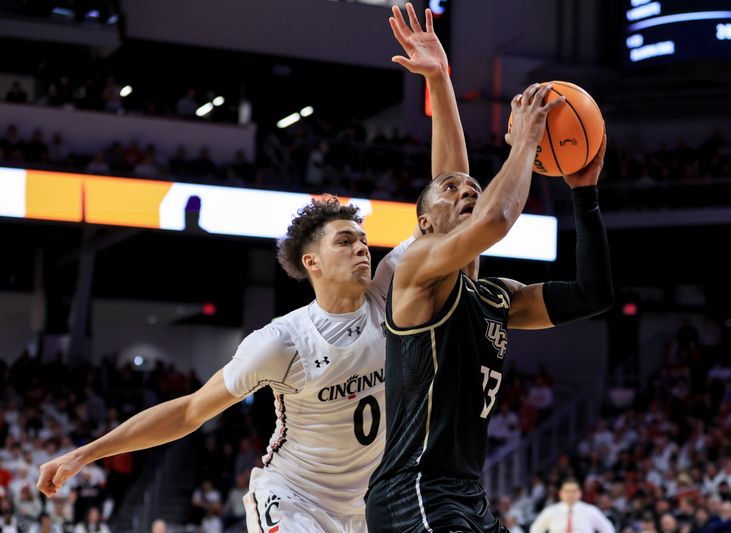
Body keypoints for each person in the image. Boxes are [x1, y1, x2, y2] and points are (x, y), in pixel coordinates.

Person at [36, 7, 467, 533]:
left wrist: (440, 82)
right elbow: (190, 411)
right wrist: (86, 453)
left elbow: (451, 201)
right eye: (346, 241)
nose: (363, 249)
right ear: (312, 262)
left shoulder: (390, 294)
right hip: (294, 500)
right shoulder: (282, 341)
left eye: (363, 240)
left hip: (372, 508)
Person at [365, 23, 612, 532]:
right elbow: (494, 220)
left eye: (472, 189)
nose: (465, 190)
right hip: (414, 491)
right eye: (451, 192)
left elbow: (592, 294)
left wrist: (583, 194)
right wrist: (524, 142)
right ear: (425, 225)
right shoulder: (414, 273)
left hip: (468, 495)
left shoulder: (496, 297)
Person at [529, 480, 615, 533]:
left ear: (579, 493)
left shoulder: (591, 511)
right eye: (567, 491)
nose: (570, 494)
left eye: (573, 491)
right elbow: (535, 530)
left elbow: (608, 529)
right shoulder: (550, 511)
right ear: (561, 494)